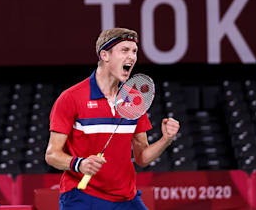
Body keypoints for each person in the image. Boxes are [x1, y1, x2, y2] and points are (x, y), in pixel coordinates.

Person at [45, 28, 180, 210]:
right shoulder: (71, 98)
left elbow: (142, 158)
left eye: (134, 52)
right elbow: (52, 155)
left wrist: (166, 140)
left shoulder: (134, 99)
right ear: (105, 55)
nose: (131, 57)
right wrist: (79, 164)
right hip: (82, 196)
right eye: (124, 50)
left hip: (126, 198)